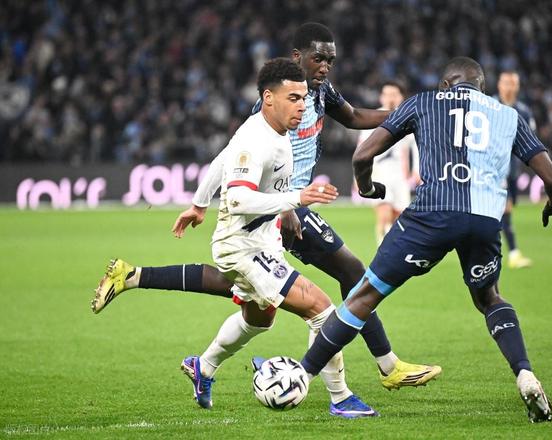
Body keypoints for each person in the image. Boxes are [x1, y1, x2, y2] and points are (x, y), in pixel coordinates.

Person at [92, 23, 440, 392]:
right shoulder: (273, 107)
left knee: (248, 298)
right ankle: (383, 368)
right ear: (297, 57)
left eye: (330, 60)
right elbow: (236, 156)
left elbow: (353, 118)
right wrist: (285, 207)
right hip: (283, 207)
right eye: (318, 58)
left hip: (281, 208)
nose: (325, 66)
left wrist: (406, 114)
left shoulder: (320, 92)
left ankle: (140, 283)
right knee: (348, 273)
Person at [297, 57, 552, 423]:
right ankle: (524, 374)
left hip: (431, 216)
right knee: (490, 298)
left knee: (365, 293)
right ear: (482, 88)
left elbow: (363, 154)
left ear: (445, 85)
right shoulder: (508, 116)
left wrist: (367, 186)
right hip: (484, 221)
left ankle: (301, 376)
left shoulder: (423, 102)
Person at [162, 58, 377, 416]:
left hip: (263, 240)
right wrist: (296, 198)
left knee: (260, 319)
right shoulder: (256, 140)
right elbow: (238, 199)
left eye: (304, 98)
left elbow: (222, 160)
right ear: (268, 98)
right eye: (293, 98)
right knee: (321, 309)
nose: (302, 106)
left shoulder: (271, 129)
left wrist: (199, 204)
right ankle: (341, 398)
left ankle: (204, 366)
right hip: (242, 246)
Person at [356, 81, 420, 244]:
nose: (390, 98)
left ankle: (393, 249)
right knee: (384, 215)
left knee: (399, 219)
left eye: (394, 94)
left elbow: (416, 146)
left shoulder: (409, 117)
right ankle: (382, 250)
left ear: (401, 97)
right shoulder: (372, 119)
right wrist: (357, 178)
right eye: (387, 94)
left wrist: (416, 170)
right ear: (381, 97)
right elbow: (361, 150)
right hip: (379, 174)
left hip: (399, 177)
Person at [496, 71, 536, 269]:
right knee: (504, 209)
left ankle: (504, 253)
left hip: (512, 169)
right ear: (499, 85)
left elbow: (530, 140)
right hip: (493, 168)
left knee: (506, 209)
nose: (509, 87)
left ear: (517, 87)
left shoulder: (524, 112)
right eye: (506, 82)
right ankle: (512, 253)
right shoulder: (489, 106)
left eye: (512, 83)